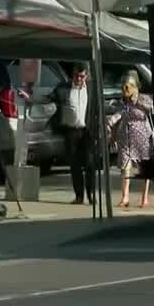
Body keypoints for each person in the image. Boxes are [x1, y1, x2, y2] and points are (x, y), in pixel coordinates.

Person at [106, 72, 154, 209]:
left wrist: (139, 103)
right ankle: (125, 197)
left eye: (128, 87)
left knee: (144, 168)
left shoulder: (144, 99)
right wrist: (109, 127)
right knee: (125, 167)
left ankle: (144, 198)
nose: (126, 90)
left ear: (135, 87)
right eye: (124, 87)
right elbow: (117, 116)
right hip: (126, 138)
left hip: (143, 138)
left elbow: (153, 110)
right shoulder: (123, 103)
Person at [48, 63, 94, 205]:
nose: (79, 79)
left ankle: (91, 195)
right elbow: (49, 98)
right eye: (76, 76)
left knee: (90, 164)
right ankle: (79, 196)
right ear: (72, 75)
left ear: (86, 76)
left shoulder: (92, 89)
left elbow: (98, 108)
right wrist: (30, 99)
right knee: (75, 166)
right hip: (71, 131)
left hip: (87, 132)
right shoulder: (63, 88)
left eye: (82, 76)